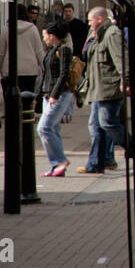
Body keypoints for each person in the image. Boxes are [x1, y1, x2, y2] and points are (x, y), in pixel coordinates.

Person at [78, 7, 125, 174]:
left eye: (90, 20)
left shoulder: (111, 33)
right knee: (96, 126)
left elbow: (120, 59)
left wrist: (124, 80)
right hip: (98, 88)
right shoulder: (98, 34)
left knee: (107, 123)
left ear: (99, 18)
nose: (89, 24)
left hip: (108, 88)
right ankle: (97, 163)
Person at [39, 23, 78, 176]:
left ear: (52, 36)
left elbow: (64, 74)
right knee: (53, 128)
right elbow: (46, 74)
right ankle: (57, 166)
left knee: (44, 127)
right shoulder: (51, 51)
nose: (44, 39)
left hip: (59, 95)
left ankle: (60, 161)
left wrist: (55, 95)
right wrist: (40, 96)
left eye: (45, 35)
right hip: (48, 94)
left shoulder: (64, 50)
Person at [0, 3, 47, 92]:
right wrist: (44, 67)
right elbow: (39, 51)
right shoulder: (32, 29)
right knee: (27, 98)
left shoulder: (6, 29)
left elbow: (1, 52)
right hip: (29, 69)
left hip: (10, 69)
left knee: (10, 99)